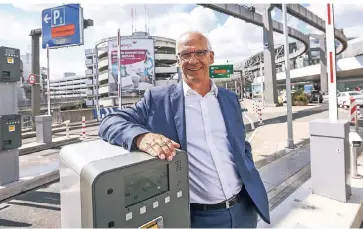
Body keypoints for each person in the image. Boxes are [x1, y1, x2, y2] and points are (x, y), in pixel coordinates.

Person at [98, 31, 270, 228]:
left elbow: (241, 145)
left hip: (244, 210)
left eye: (200, 53)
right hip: (197, 219)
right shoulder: (158, 100)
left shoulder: (229, 99)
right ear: (177, 60)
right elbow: (110, 121)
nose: (193, 60)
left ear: (211, 57)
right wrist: (141, 137)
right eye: (185, 55)